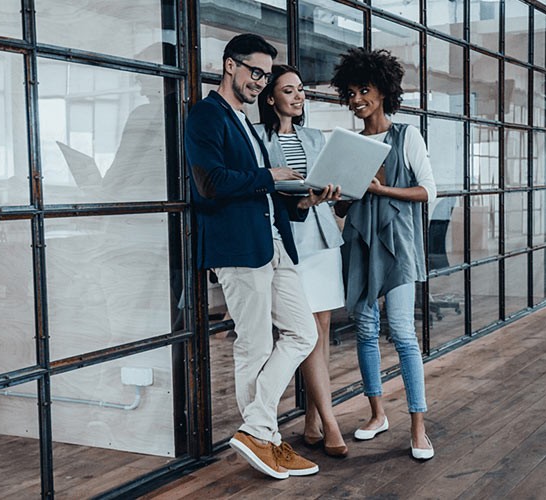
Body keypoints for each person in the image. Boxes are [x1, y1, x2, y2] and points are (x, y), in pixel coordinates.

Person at [184, 33, 340, 480]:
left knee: (301, 332)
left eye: (266, 75)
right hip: (238, 247)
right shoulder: (205, 116)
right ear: (229, 65)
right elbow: (210, 184)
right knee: (255, 345)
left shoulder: (245, 123)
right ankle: (266, 439)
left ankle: (257, 429)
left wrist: (305, 201)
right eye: (256, 72)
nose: (261, 81)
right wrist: (268, 174)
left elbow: (263, 192)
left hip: (274, 240)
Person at [330, 47, 437, 461]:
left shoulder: (407, 136)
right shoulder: (351, 145)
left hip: (399, 245)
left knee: (404, 335)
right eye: (351, 92)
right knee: (364, 331)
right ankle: (377, 414)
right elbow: (343, 207)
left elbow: (428, 191)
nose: (357, 99)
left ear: (384, 91)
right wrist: (338, 196)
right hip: (360, 244)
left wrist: (380, 189)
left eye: (365, 90)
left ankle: (418, 426)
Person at [256, 65, 348, 458]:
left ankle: (312, 418)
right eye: (288, 90)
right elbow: (265, 189)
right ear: (270, 98)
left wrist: (333, 191)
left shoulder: (313, 136)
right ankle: (330, 422)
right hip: (290, 239)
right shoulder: (259, 137)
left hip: (324, 236)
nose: (298, 97)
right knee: (305, 331)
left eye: (300, 90)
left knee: (322, 331)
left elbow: (328, 180)